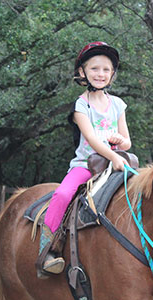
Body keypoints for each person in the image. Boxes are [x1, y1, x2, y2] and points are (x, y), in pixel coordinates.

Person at [36, 41, 131, 278]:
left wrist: (120, 141)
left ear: (112, 74)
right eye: (95, 69)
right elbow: (91, 139)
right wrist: (113, 156)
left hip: (115, 165)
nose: (101, 74)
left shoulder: (118, 104)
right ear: (82, 72)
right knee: (62, 195)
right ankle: (47, 251)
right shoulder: (81, 105)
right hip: (86, 166)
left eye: (106, 70)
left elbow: (128, 142)